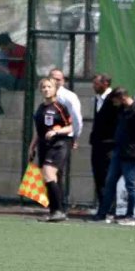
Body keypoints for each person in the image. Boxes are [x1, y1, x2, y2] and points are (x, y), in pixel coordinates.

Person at [92, 87, 135, 226]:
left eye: (115, 100)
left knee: (130, 185)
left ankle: (130, 216)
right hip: (118, 151)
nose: (114, 103)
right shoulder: (123, 110)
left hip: (130, 153)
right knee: (110, 182)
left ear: (122, 98)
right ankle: (103, 213)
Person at [29, 77, 74, 222]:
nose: (46, 89)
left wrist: (57, 132)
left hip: (59, 145)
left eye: (49, 86)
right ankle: (55, 211)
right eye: (43, 87)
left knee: (48, 173)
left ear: (55, 89)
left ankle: (59, 211)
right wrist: (32, 146)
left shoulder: (60, 107)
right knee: (49, 178)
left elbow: (71, 127)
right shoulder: (40, 108)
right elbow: (39, 131)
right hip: (44, 146)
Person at [49, 68, 83, 207]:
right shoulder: (48, 95)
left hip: (63, 138)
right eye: (53, 78)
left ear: (63, 81)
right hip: (48, 138)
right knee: (49, 173)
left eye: (59, 79)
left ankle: (60, 205)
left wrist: (75, 136)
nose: (56, 81)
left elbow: (77, 119)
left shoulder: (68, 96)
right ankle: (54, 205)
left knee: (56, 172)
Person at [89, 73, 119, 206]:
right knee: (98, 175)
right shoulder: (97, 99)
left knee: (108, 176)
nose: (93, 86)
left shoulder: (113, 99)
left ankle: (110, 208)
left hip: (110, 144)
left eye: (96, 83)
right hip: (97, 144)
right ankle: (103, 207)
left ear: (105, 83)